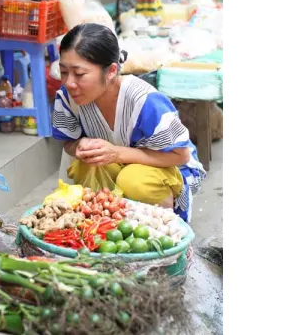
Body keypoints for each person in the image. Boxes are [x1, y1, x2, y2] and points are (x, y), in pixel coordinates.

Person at [51, 23, 206, 222]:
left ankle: (165, 230)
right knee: (87, 164)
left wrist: (116, 153)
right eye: (63, 72)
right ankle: (107, 224)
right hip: (116, 163)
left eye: (79, 74)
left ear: (111, 71)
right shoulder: (68, 98)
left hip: (170, 168)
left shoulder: (144, 100)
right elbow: (69, 143)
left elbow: (181, 155)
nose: (69, 83)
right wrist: (79, 146)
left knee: (134, 180)